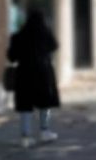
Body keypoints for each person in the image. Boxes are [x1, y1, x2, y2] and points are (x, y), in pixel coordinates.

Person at [7, 8, 60, 147]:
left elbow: (11, 57)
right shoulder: (45, 34)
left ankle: (26, 136)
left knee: (25, 105)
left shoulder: (18, 36)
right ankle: (44, 131)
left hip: (24, 74)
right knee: (45, 103)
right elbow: (55, 46)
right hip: (43, 73)